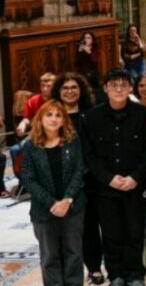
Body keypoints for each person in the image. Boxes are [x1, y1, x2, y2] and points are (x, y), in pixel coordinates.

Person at [84, 70, 146, 286]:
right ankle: (115, 274)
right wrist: (108, 178)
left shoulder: (144, 115)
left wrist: (135, 177)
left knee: (135, 232)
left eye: (123, 85)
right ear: (105, 88)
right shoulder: (92, 117)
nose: (118, 89)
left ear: (130, 88)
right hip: (104, 188)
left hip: (135, 186)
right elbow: (89, 154)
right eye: (113, 85)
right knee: (111, 233)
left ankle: (135, 274)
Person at [20, 100, 86, 286]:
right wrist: (51, 203)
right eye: (49, 115)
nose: (54, 119)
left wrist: (67, 199)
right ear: (40, 119)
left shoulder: (73, 141)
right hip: (43, 210)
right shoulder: (31, 146)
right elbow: (28, 179)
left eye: (58, 115)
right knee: (49, 255)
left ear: (64, 120)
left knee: (73, 252)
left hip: (73, 207)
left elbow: (79, 171)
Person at [51, 73, 104, 284]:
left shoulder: (91, 114)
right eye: (65, 88)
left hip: (90, 178)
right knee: (64, 229)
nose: (70, 91)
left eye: (74, 87)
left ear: (81, 90)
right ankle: (67, 272)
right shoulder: (52, 114)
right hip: (61, 180)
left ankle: (94, 267)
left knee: (90, 225)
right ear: (58, 91)